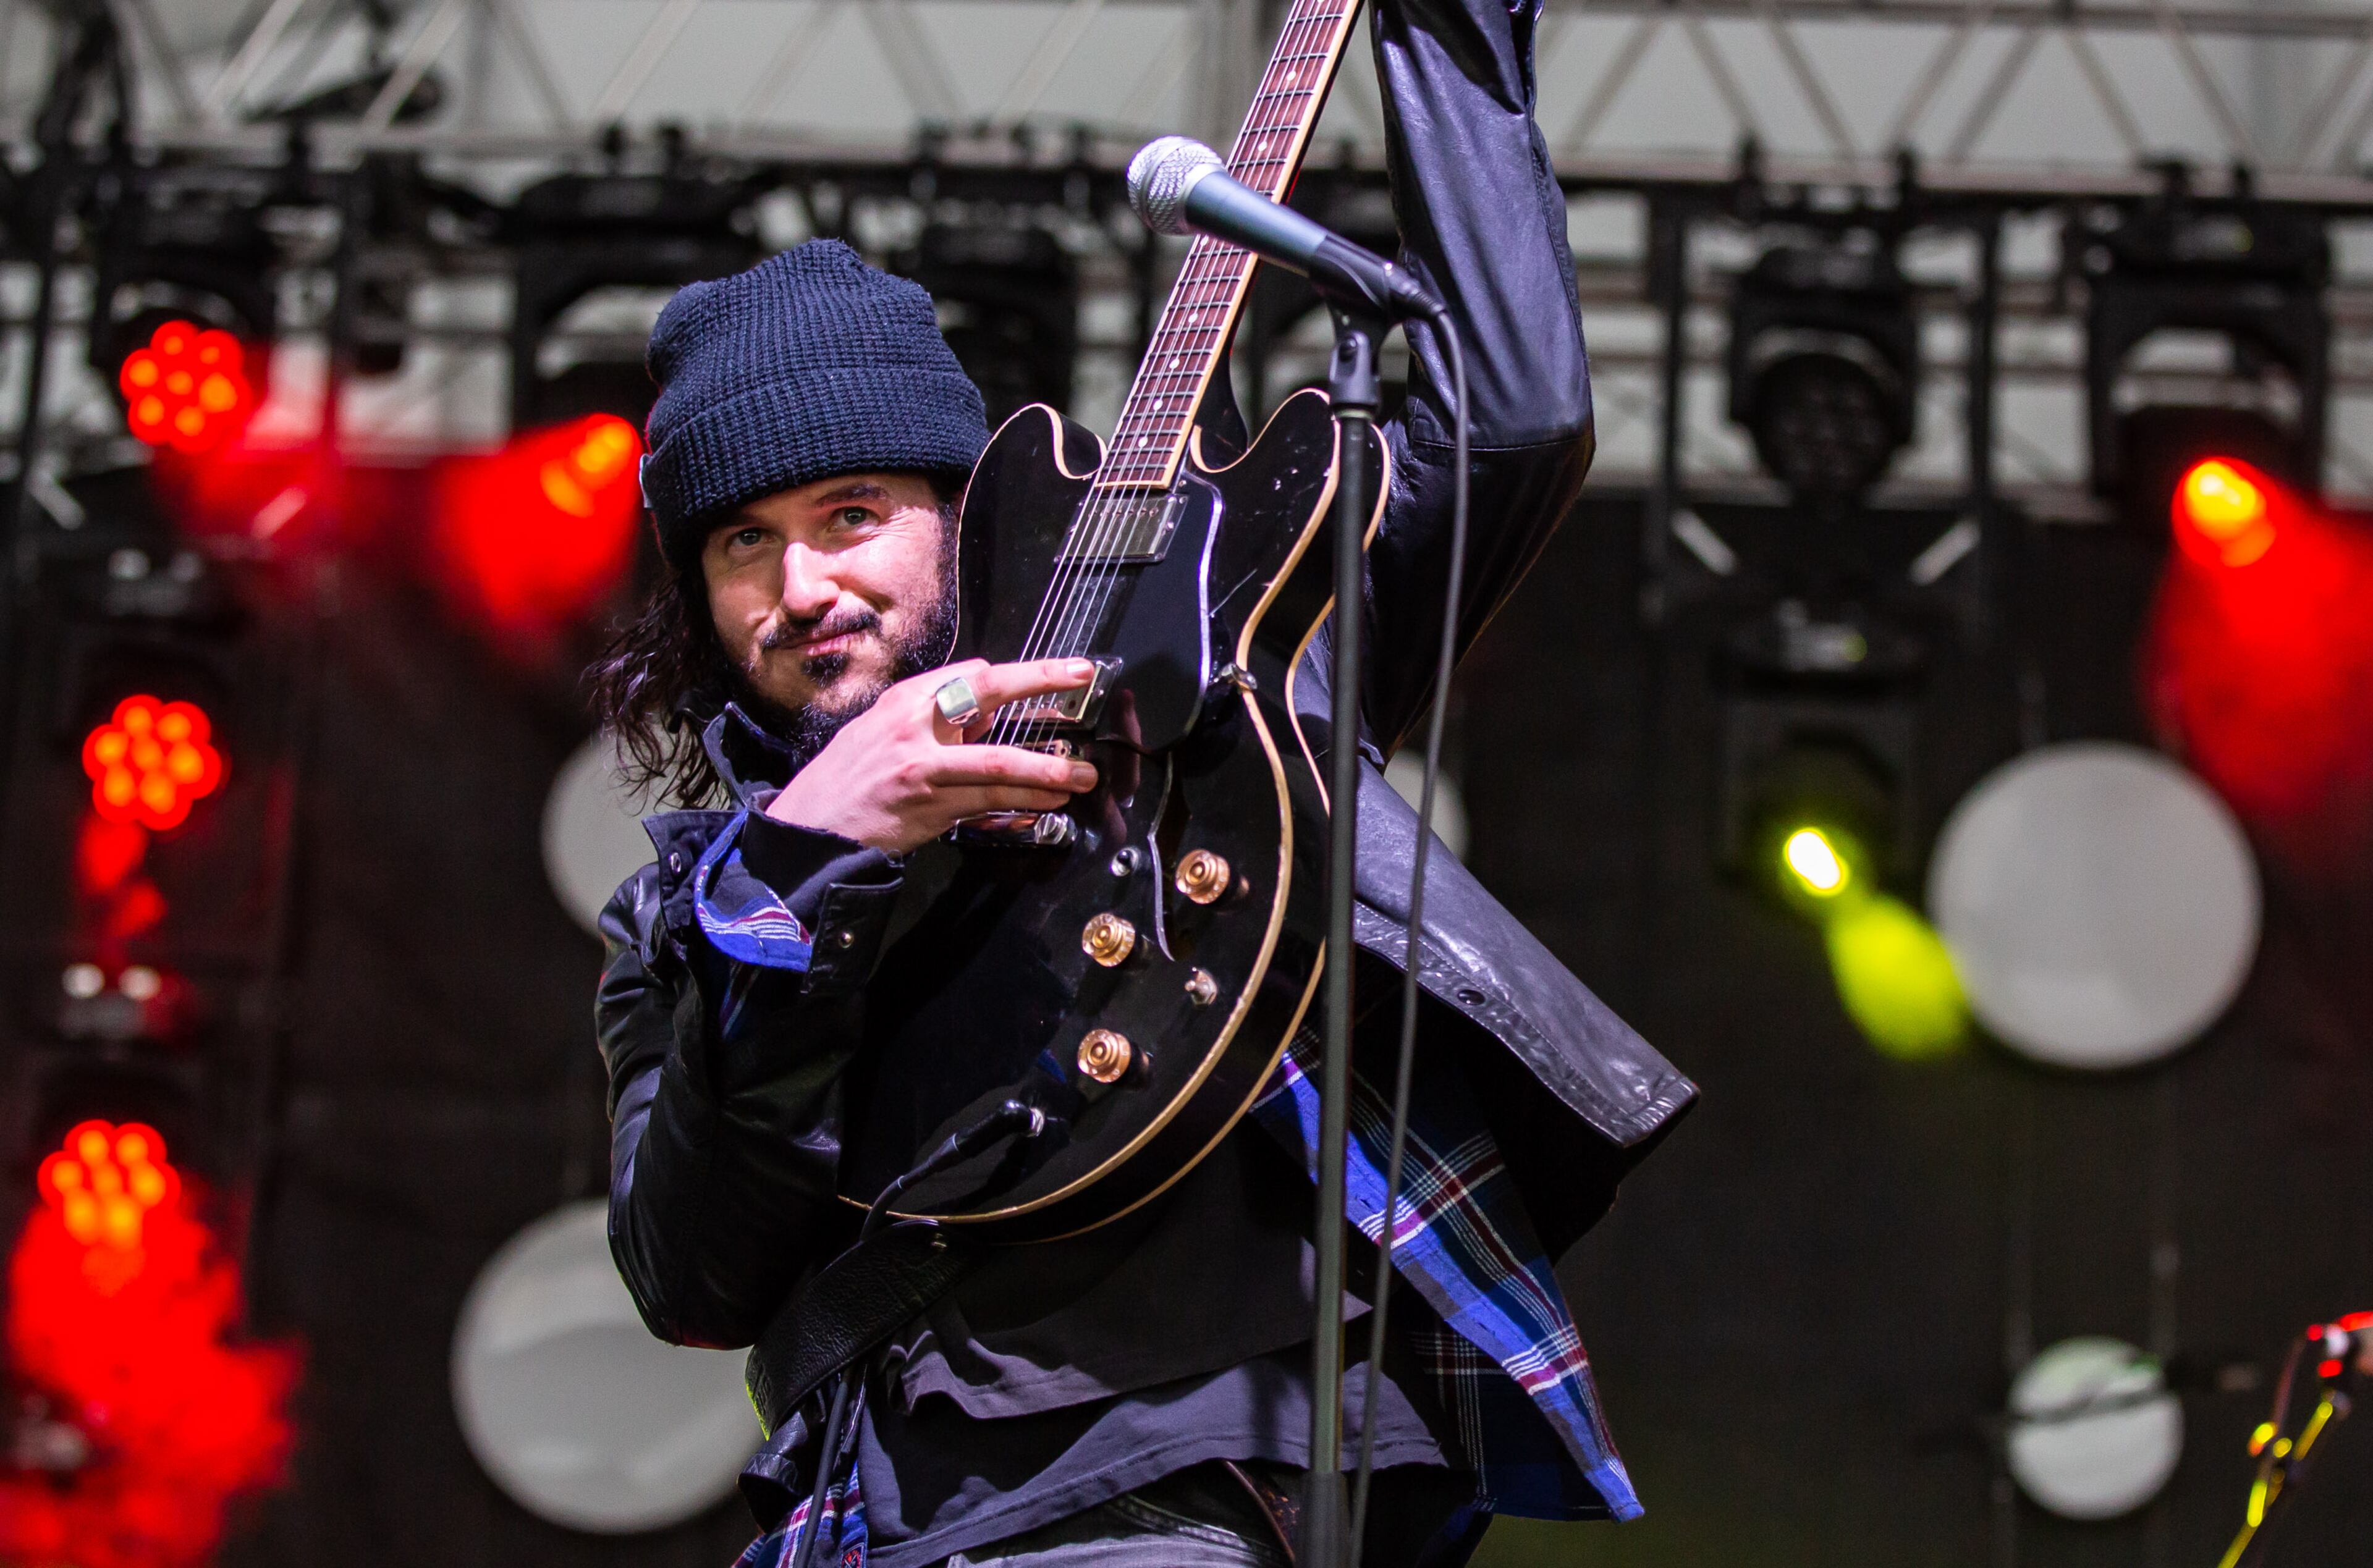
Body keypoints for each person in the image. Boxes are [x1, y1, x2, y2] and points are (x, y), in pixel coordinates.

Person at [589, 0, 1696, 1562]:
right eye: (741, 544)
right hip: (870, 1521)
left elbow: (1508, 424)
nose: (802, 585)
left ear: (958, 507)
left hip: (1182, 1484)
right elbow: (691, 1280)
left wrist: (1447, 43)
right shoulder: (696, 914)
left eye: (852, 513)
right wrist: (807, 864)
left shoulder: (1184, 654)